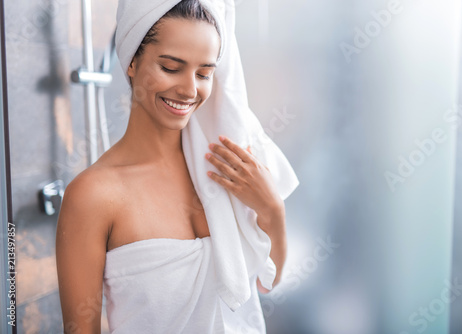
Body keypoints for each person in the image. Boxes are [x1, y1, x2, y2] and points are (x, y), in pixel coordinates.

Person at [56, 0, 297, 333]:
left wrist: (272, 210)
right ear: (132, 62)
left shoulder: (229, 169)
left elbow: (269, 281)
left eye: (204, 73)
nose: (189, 90)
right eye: (171, 67)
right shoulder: (93, 195)